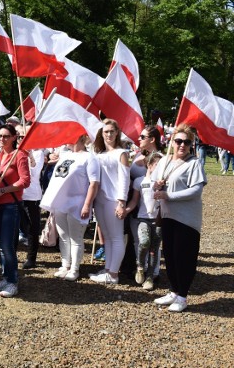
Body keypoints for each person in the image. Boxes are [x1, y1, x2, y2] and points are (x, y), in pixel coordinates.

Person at [151, 124, 207, 312]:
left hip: (186, 219)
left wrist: (169, 196)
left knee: (184, 257)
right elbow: (154, 184)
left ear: (192, 144)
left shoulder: (194, 164)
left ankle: (182, 296)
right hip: (167, 216)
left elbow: (196, 190)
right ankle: (174, 291)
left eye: (187, 142)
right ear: (172, 142)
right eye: (178, 141)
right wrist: (156, 186)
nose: (182, 145)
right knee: (170, 256)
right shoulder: (164, 161)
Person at [40, 134, 100, 281]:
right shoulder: (66, 155)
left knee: (76, 237)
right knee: (63, 236)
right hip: (60, 203)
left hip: (77, 203)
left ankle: (75, 268)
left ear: (79, 138)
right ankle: (65, 265)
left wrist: (87, 205)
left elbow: (94, 183)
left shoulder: (89, 157)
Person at [0, 124, 30, 297]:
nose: (2, 139)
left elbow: (25, 180)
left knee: (7, 245)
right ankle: (6, 277)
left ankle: (13, 281)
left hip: (10, 204)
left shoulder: (19, 155)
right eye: (0, 136)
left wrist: (4, 190)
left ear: (14, 137)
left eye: (6, 136)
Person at [89, 119, 130, 285]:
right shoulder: (99, 154)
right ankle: (108, 269)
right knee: (107, 237)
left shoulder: (121, 153)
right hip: (100, 200)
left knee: (116, 237)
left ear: (117, 133)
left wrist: (122, 202)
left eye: (112, 131)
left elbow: (124, 179)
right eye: (106, 131)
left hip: (114, 199)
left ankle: (113, 274)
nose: (109, 134)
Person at [124, 152, 163, 290]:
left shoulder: (163, 183)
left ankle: (150, 277)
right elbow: (135, 200)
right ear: (150, 165)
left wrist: (163, 190)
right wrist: (126, 210)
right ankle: (140, 265)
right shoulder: (139, 181)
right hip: (142, 218)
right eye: (158, 165)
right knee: (144, 241)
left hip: (158, 220)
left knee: (154, 249)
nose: (160, 169)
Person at [16, 124, 46, 269]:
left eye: (25, 136)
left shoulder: (38, 153)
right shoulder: (15, 152)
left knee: (32, 228)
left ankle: (31, 258)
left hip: (31, 195)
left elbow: (34, 173)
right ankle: (11, 255)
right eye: (20, 136)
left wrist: (30, 155)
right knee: (16, 226)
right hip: (17, 194)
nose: (22, 139)